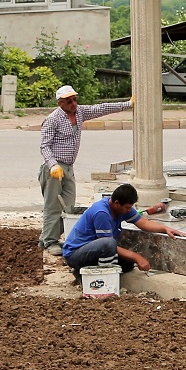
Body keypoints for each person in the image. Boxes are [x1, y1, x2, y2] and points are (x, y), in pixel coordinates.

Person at [37, 86, 134, 256]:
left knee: (69, 206)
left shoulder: (79, 112)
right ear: (60, 103)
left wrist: (127, 104)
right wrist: (53, 165)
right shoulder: (52, 119)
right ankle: (49, 242)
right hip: (54, 169)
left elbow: (101, 108)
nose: (74, 103)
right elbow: (44, 146)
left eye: (75, 99)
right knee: (52, 206)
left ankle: (47, 237)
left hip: (68, 167)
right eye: (69, 101)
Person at [61, 182, 184, 275]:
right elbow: (107, 244)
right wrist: (137, 256)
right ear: (116, 203)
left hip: (93, 251)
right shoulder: (101, 213)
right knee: (109, 243)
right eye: (127, 207)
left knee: (127, 264)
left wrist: (165, 229)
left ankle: (84, 271)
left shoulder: (122, 209)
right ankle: (102, 278)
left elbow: (143, 223)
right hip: (75, 254)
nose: (129, 210)